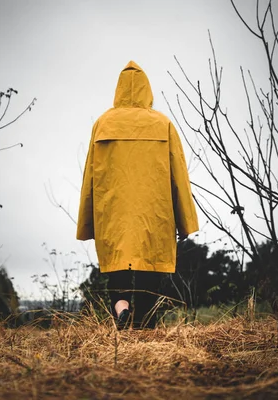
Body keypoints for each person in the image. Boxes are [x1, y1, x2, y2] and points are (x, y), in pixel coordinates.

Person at [76, 61, 198, 329]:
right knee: (149, 268)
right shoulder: (163, 124)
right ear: (147, 90)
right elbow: (178, 175)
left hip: (113, 210)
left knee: (116, 265)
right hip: (154, 212)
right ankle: (144, 325)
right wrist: (185, 221)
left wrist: (87, 221)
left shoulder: (103, 124)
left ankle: (121, 307)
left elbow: (90, 177)